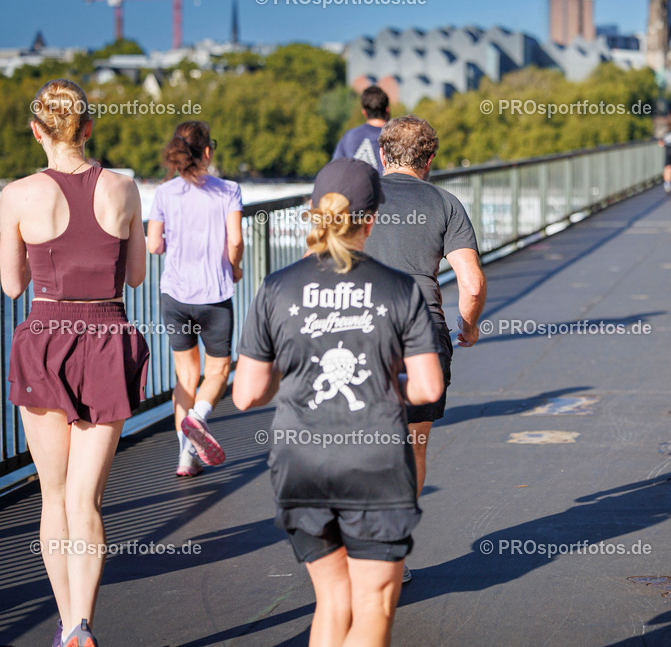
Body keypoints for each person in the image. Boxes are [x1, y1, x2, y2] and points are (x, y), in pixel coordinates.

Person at [233, 158, 444, 647]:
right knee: (373, 606)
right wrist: (381, 387)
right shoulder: (400, 288)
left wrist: (294, 377)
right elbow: (428, 388)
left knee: (332, 602)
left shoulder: (277, 287)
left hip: (300, 461)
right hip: (374, 461)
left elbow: (246, 393)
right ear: (372, 220)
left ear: (313, 210)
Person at [0, 79, 149, 647]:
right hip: (107, 339)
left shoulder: (17, 195)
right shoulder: (125, 188)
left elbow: (12, 285)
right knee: (86, 500)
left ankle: (66, 627)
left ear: (37, 132)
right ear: (88, 128)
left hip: (44, 340)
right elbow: (136, 277)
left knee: (54, 495)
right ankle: (84, 621)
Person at [363, 115, 486, 583]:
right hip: (422, 333)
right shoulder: (445, 203)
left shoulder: (358, 199)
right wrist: (468, 327)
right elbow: (471, 284)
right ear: (430, 159)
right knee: (413, 444)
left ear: (382, 154)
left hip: (360, 329)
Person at [147, 121, 243, 477]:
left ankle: (185, 458)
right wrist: (235, 268)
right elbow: (235, 240)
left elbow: (154, 245)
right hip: (214, 296)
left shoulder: (164, 193)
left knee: (185, 376)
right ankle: (198, 418)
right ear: (206, 151)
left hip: (175, 296)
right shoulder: (229, 190)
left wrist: (173, 245)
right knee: (217, 371)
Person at [333, 85, 390, 173]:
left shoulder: (349, 137)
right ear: (387, 110)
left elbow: (335, 169)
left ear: (364, 112)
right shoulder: (396, 137)